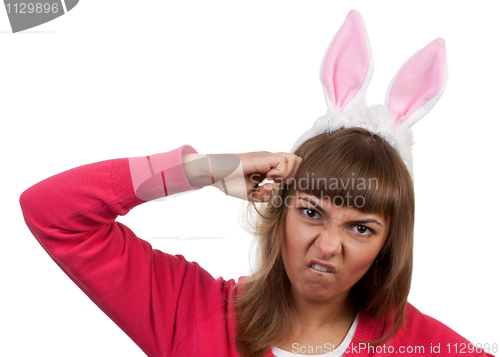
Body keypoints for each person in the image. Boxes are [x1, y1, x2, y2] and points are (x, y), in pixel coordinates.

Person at [19, 10, 496, 357]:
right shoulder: (193, 314)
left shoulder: (430, 347)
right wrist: (200, 169)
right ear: (279, 207)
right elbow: (53, 214)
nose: (328, 246)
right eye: (311, 212)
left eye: (361, 228)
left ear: (390, 245)